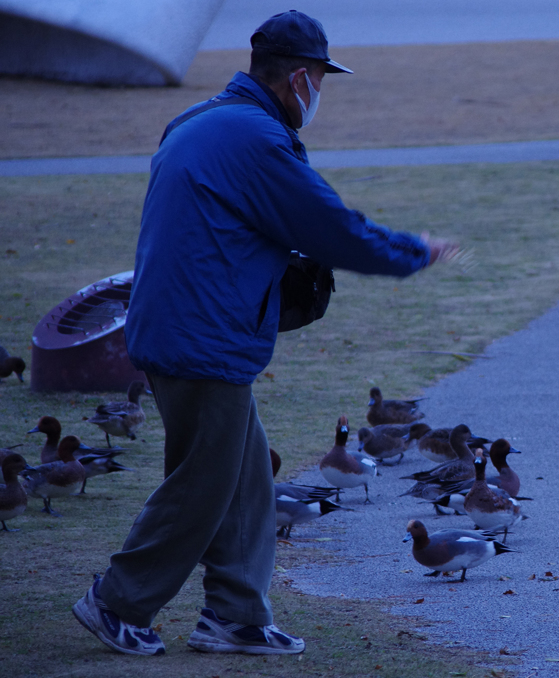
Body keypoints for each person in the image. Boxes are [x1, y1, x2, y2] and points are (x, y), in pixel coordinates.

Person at [73, 10, 458, 656]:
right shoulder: (255, 139)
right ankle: (116, 601)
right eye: (321, 82)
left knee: (245, 477)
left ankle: (235, 615)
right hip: (203, 338)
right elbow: (327, 225)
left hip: (179, 327)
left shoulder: (198, 122)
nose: (319, 95)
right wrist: (411, 252)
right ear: (299, 79)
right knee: (202, 483)